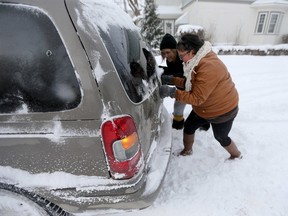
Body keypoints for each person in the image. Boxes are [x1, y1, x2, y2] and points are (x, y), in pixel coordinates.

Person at [159, 33, 241, 159]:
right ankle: (187, 150)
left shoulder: (208, 66)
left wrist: (171, 92)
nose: (181, 59)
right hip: (204, 107)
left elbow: (196, 98)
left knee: (221, 137)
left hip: (223, 110)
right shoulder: (196, 62)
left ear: (191, 52)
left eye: (182, 56)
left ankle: (236, 155)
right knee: (189, 126)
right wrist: (172, 80)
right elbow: (191, 83)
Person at [159, 33, 210, 131]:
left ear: (175, 50)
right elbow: (165, 71)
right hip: (182, 89)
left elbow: (184, 76)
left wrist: (170, 79)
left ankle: (204, 123)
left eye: (168, 52)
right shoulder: (167, 61)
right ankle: (178, 124)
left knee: (198, 105)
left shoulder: (183, 59)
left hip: (192, 86)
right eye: (163, 53)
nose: (166, 55)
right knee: (178, 106)